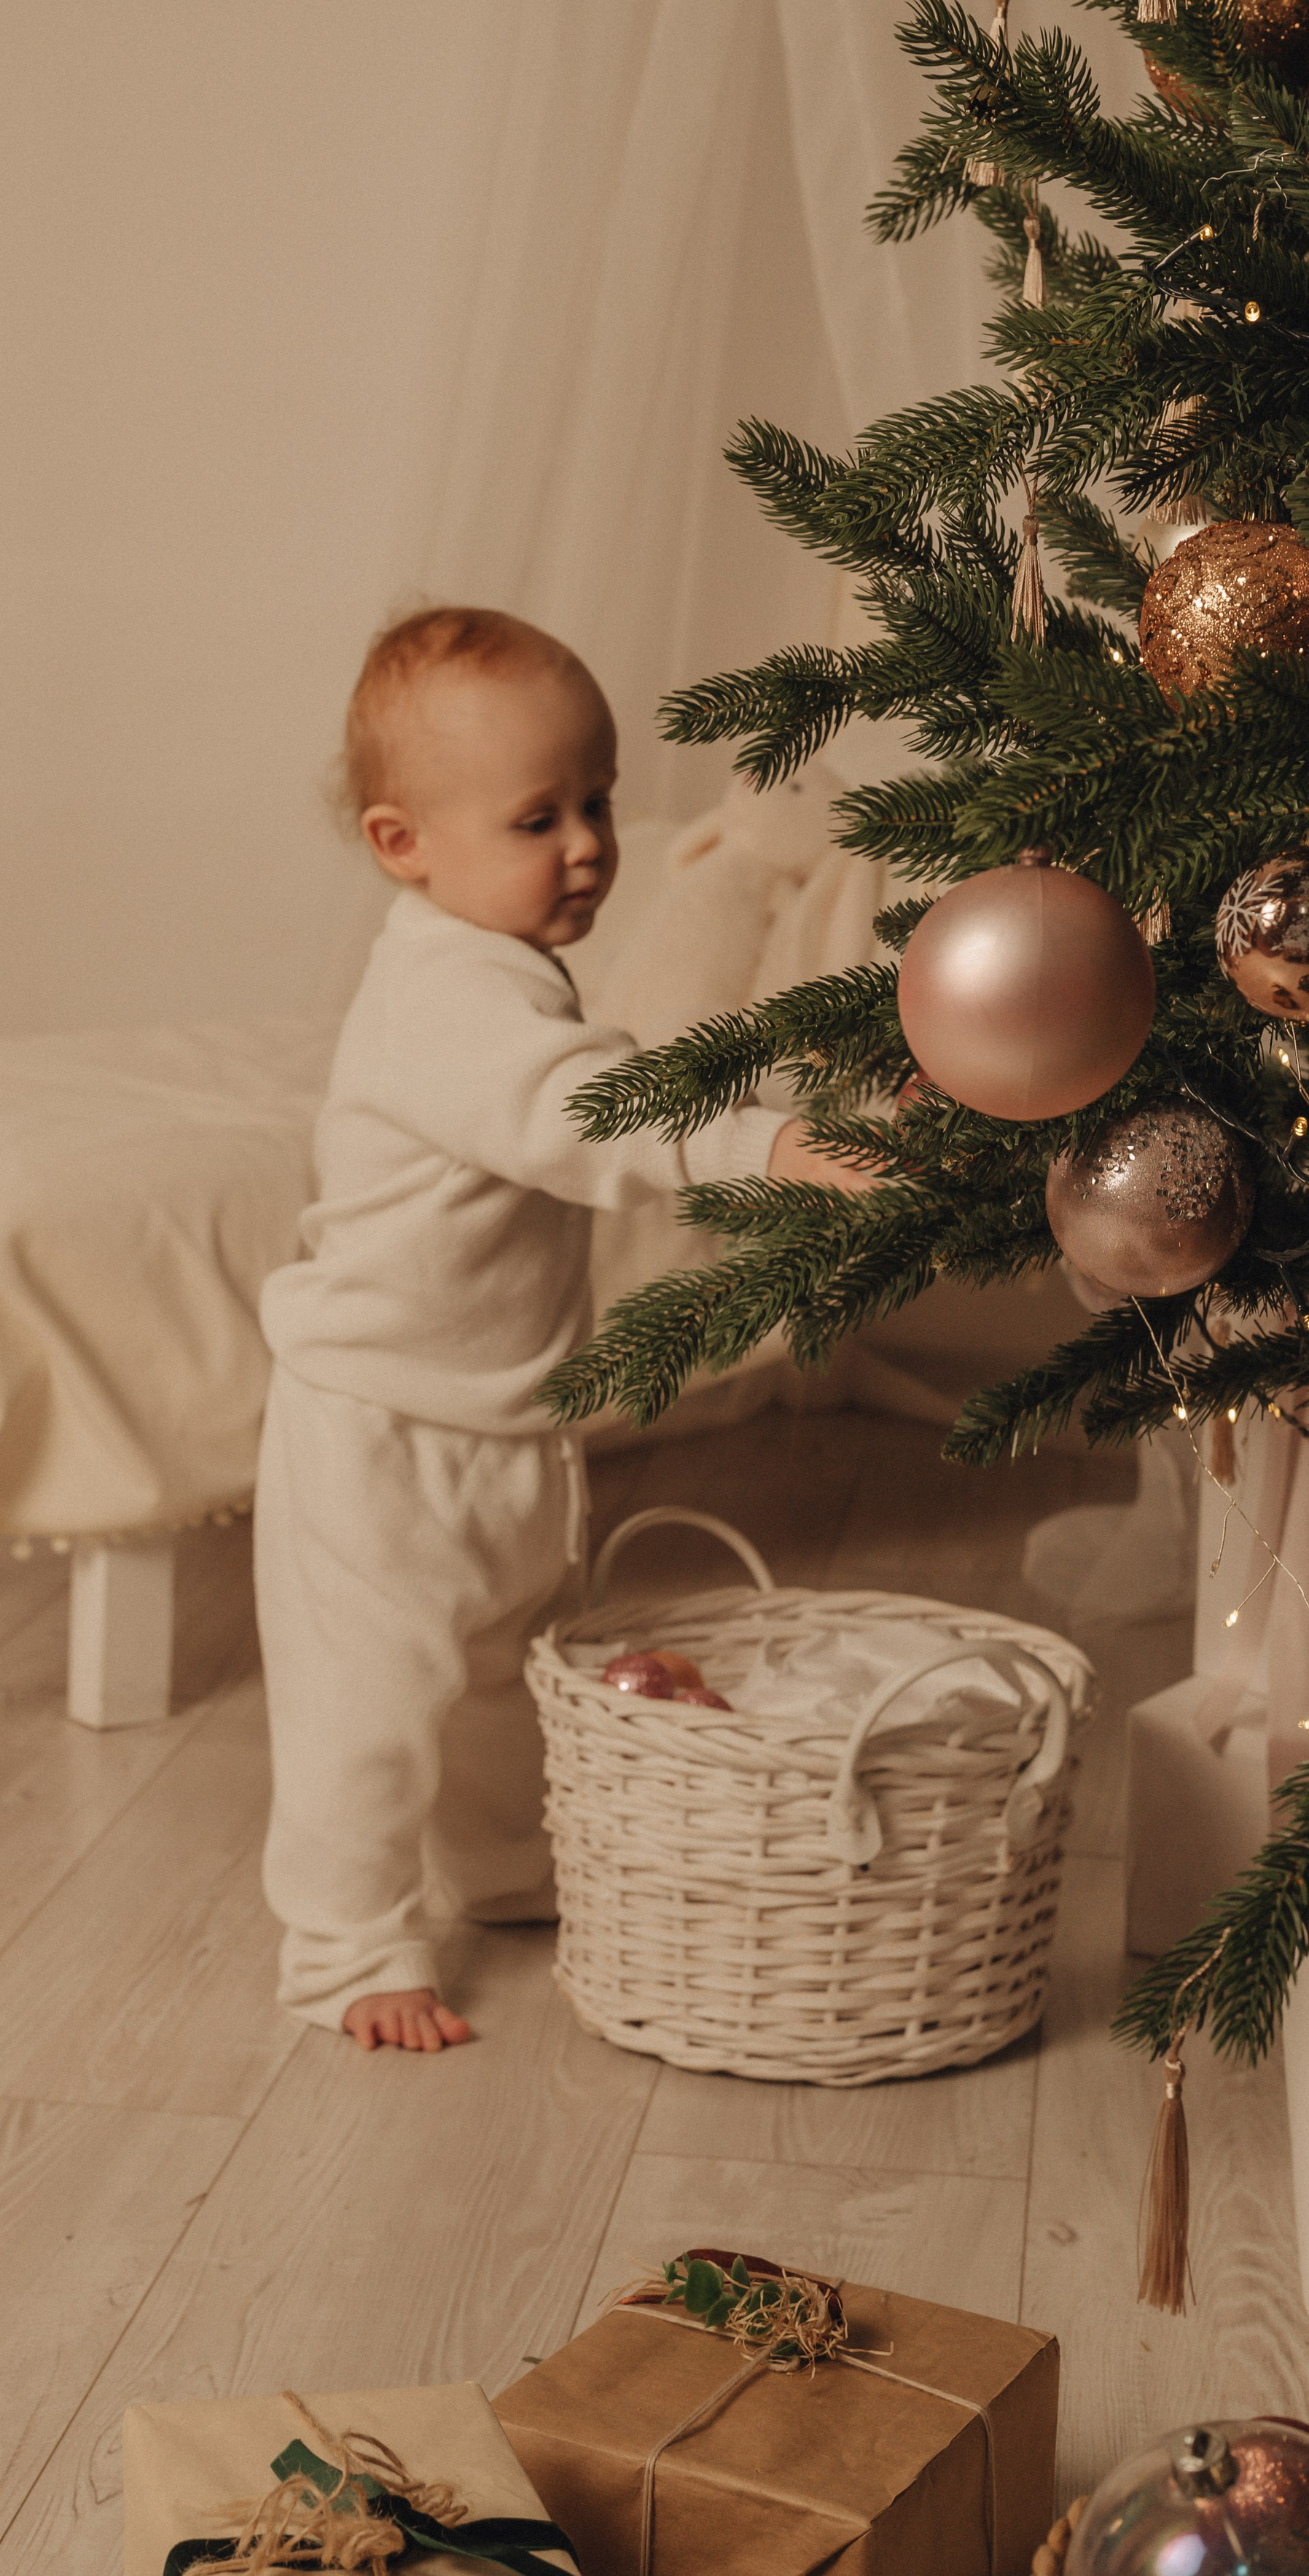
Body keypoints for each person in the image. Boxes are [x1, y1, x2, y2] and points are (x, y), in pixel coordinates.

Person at [256, 606, 869, 2051]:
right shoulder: (439, 998)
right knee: (371, 1705)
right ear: (402, 844)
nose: (590, 842)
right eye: (539, 817)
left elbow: (589, 1068)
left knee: (491, 1673)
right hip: (377, 1426)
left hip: (500, 1415)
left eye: (595, 800)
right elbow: (586, 1112)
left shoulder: (505, 967)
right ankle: (341, 1950)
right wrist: (765, 1147)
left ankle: (504, 1872)